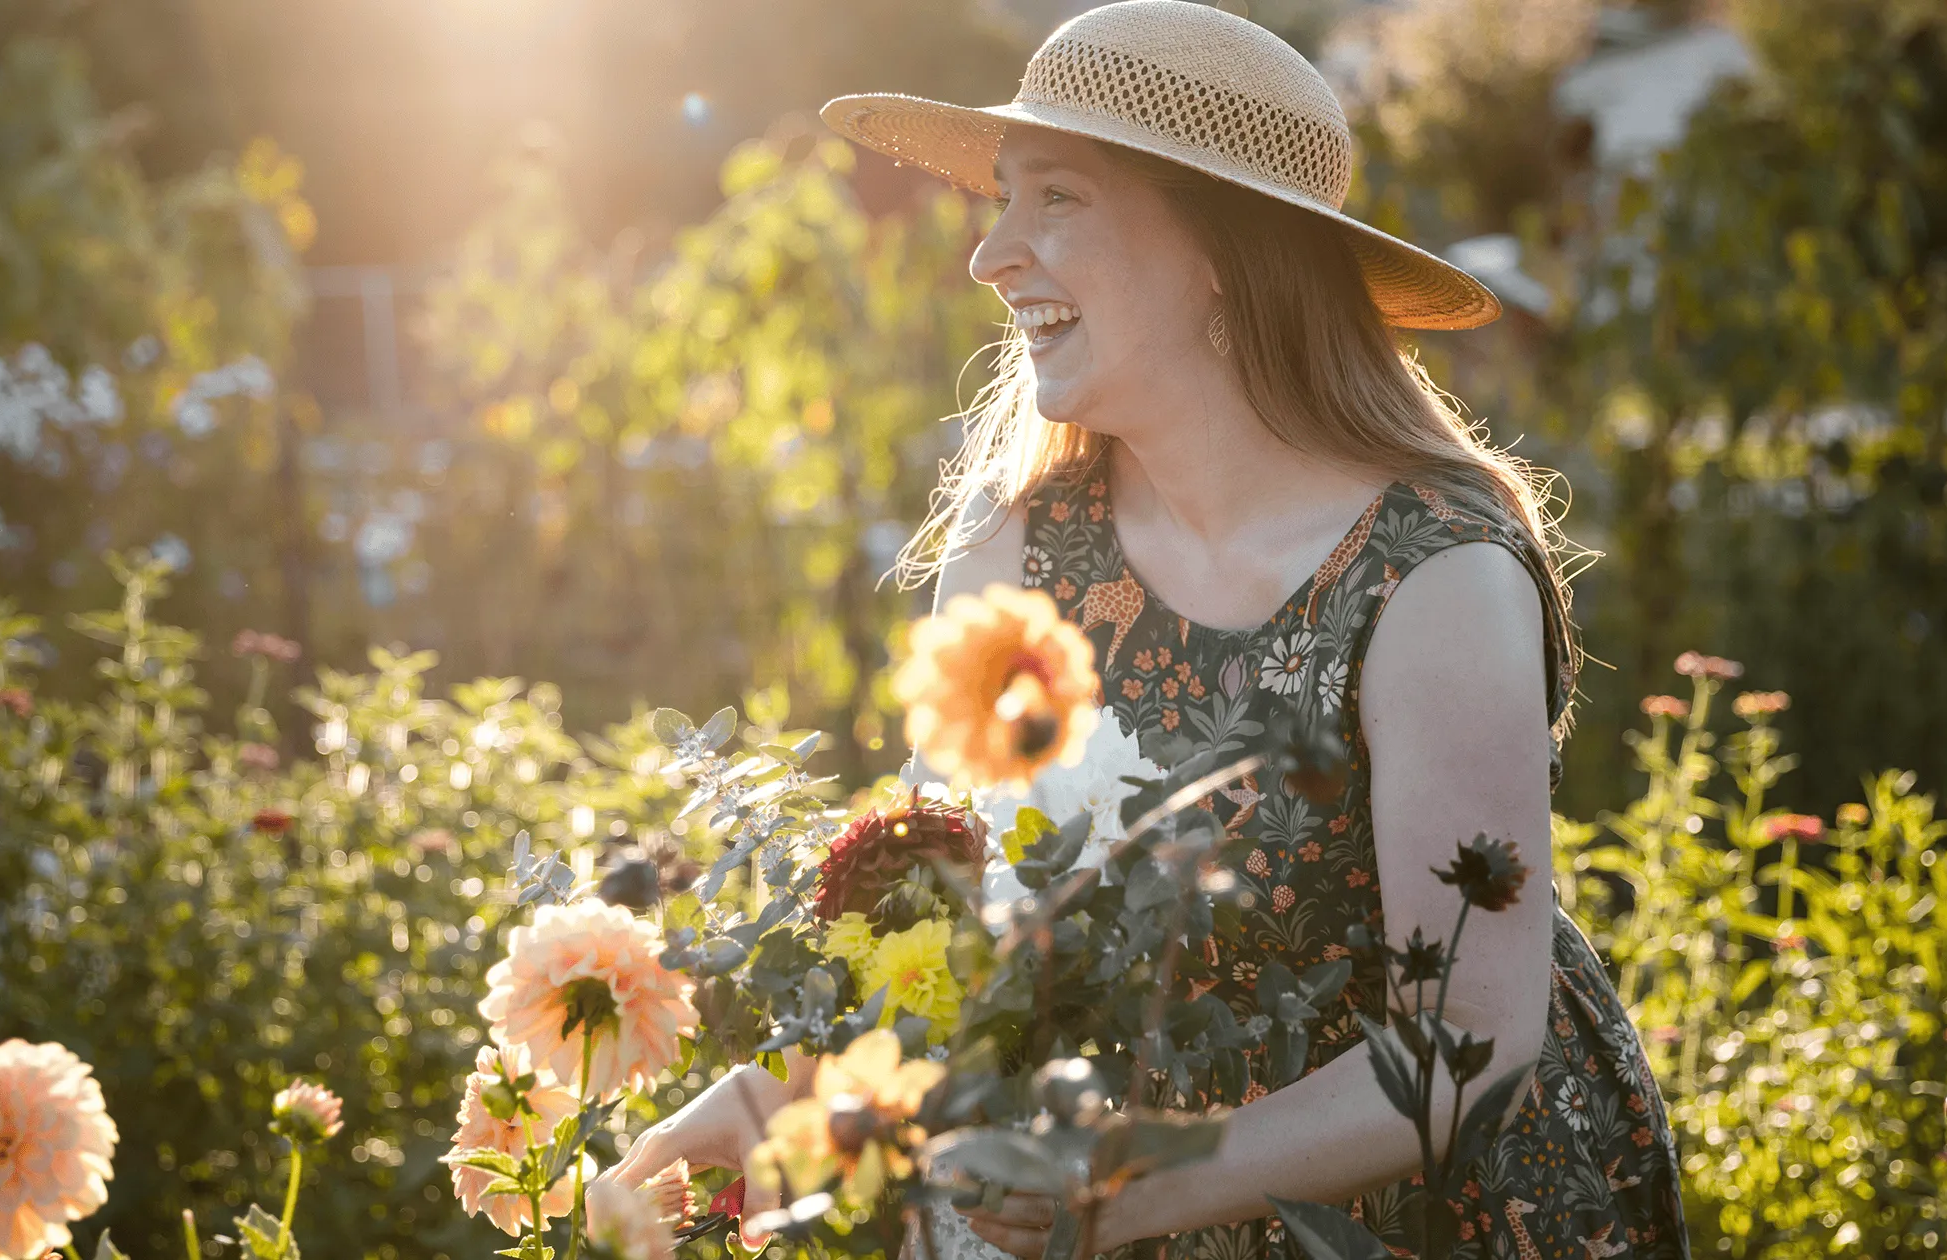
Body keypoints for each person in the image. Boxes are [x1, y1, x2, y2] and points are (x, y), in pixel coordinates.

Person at [600, 3, 1689, 1256]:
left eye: (1057, 197)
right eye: (1002, 198)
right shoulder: (1020, 545)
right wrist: (778, 1100)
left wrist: (1133, 1190)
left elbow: (1468, 1047)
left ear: (1222, 246)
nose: (990, 254)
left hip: (1408, 1213)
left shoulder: (1433, 578)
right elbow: (946, 915)